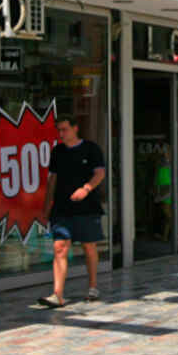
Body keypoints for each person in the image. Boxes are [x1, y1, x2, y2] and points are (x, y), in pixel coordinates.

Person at [38, 115, 106, 307]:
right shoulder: (57, 151)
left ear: (75, 128)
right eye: (59, 130)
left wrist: (86, 189)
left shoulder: (91, 149)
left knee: (88, 246)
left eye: (65, 129)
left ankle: (93, 286)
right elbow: (53, 179)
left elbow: (100, 173)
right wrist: (46, 206)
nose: (61, 133)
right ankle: (57, 294)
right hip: (62, 207)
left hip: (87, 207)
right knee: (59, 247)